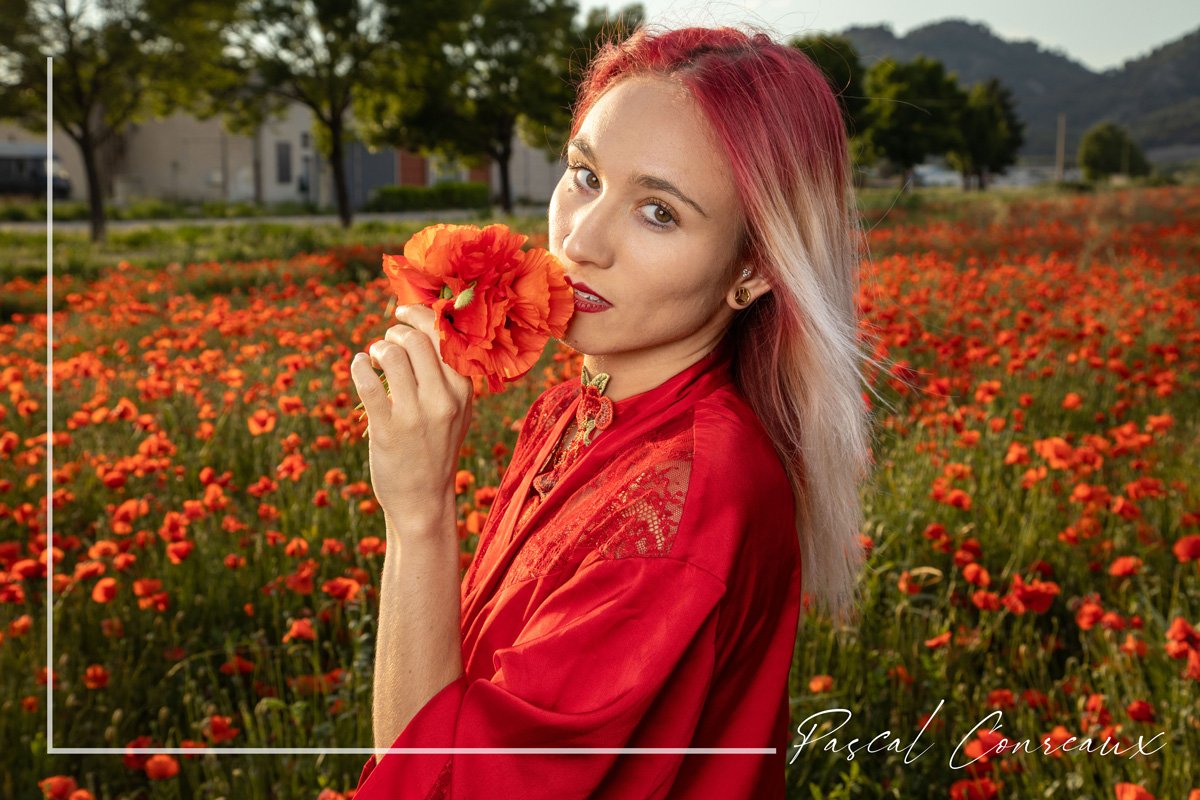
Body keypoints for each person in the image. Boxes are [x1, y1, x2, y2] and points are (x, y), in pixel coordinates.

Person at [347, 24, 873, 800]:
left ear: (753, 270)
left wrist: (418, 513)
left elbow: (441, 782)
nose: (581, 241)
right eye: (585, 175)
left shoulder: (684, 501)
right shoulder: (579, 403)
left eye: (659, 212)